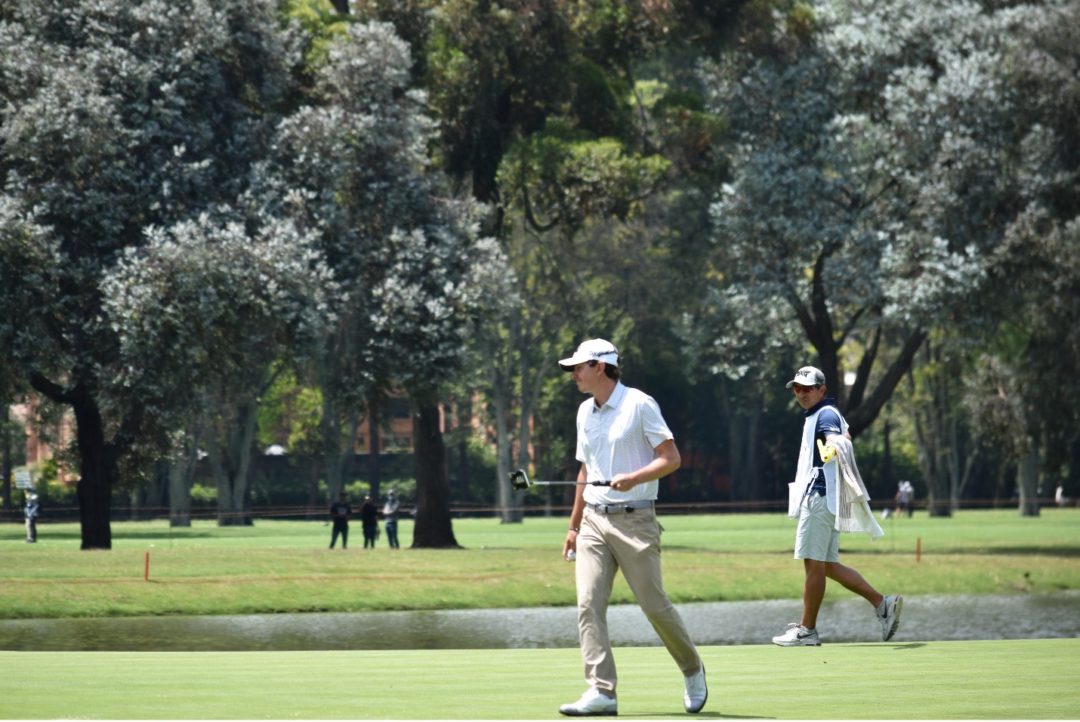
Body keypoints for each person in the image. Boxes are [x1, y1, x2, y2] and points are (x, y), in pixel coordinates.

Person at [557, 338, 707, 717]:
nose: (573, 374)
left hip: (635, 520)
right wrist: (573, 527)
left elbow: (671, 458)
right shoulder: (584, 412)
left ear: (601, 367)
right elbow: (585, 471)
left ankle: (692, 669)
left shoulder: (639, 404)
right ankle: (602, 690)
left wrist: (634, 478)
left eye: (579, 367)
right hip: (593, 520)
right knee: (588, 603)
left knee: (654, 606)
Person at [773, 365, 903, 647]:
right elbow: (845, 437)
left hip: (819, 498)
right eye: (797, 388)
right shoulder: (821, 414)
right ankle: (883, 604)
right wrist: (838, 442)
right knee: (828, 566)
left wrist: (834, 443)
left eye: (808, 388)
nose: (802, 393)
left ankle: (807, 630)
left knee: (813, 564)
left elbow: (836, 438)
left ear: (822, 390)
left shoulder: (825, 414)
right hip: (826, 498)